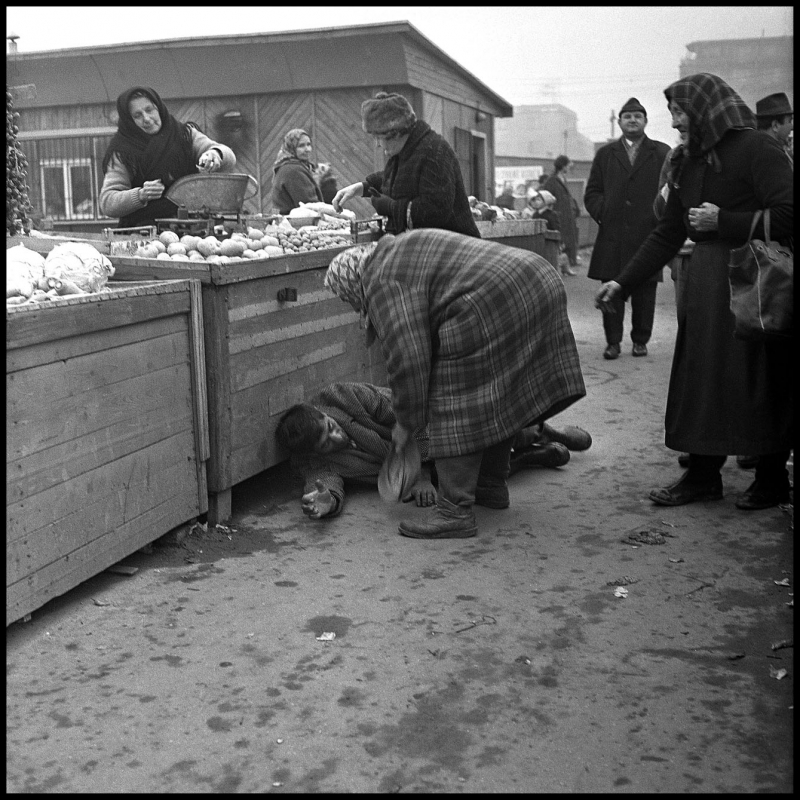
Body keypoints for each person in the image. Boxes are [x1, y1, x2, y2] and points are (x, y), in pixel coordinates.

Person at [595, 73, 793, 511]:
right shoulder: (689, 159)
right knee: (703, 377)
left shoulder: (759, 148)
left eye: (681, 112)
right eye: (672, 114)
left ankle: (772, 477)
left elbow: (788, 214)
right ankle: (703, 475)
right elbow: (667, 231)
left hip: (755, 282)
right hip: (706, 286)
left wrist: (726, 222)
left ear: (706, 110)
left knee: (756, 380)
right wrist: (623, 282)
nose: (675, 123)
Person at [323, 230, 586, 539]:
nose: (349, 303)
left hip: (493, 298)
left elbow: (409, 361)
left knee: (453, 403)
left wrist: (407, 423)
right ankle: (490, 485)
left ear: (353, 281)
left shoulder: (381, 280)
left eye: (345, 295)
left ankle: (454, 512)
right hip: (535, 278)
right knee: (497, 396)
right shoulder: (395, 252)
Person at [276, 382, 592, 520]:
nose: (336, 437)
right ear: (317, 453)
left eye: (331, 426)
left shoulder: (344, 396)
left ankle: (541, 430)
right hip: (421, 465)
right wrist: (327, 502)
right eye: (327, 444)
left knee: (480, 435)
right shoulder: (313, 462)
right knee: (462, 480)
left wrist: (421, 473)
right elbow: (326, 484)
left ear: (325, 413)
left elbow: (408, 415)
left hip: (432, 426)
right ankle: (531, 458)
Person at [585, 97, 672, 360]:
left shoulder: (661, 152)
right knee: (611, 294)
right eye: (627, 116)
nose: (632, 120)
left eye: (638, 116)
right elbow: (592, 193)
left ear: (645, 121)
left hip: (648, 235)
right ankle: (613, 342)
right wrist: (606, 213)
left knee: (645, 292)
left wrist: (660, 218)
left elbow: (671, 190)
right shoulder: (605, 154)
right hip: (613, 237)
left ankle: (640, 340)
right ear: (620, 121)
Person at [332, 92, 480, 238]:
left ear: (395, 133)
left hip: (453, 247)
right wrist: (361, 188)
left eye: (379, 137)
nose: (377, 144)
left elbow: (435, 212)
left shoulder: (435, 152)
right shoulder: (407, 150)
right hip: (426, 244)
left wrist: (392, 208)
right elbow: (397, 177)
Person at [100, 87, 236, 228]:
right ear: (129, 120)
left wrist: (215, 154)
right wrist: (140, 195)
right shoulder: (122, 153)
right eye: (137, 115)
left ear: (159, 108)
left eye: (149, 110)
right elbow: (107, 202)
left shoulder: (184, 135)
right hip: (143, 234)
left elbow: (228, 157)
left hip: (193, 230)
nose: (146, 119)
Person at [270, 128, 324, 214]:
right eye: (301, 146)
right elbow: (309, 205)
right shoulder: (293, 170)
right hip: (293, 223)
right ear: (291, 148)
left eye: (309, 144)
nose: (308, 149)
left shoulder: (287, 165)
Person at [544, 156, 580, 276]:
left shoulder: (563, 178)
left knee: (567, 241)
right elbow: (546, 197)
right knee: (560, 241)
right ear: (563, 165)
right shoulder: (552, 180)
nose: (570, 167)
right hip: (558, 215)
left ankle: (566, 267)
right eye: (568, 164)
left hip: (567, 216)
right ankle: (558, 268)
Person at [755, 92, 793, 164]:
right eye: (789, 121)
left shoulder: (760, 148)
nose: (792, 126)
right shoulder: (772, 156)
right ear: (775, 125)